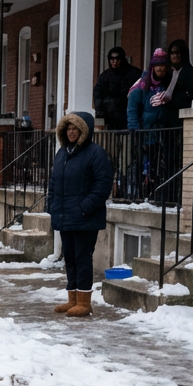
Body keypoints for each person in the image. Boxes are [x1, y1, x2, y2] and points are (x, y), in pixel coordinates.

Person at [47, 111, 113, 318]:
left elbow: (103, 185)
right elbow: (53, 182)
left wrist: (85, 207)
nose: (71, 132)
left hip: (85, 217)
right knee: (70, 259)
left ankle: (84, 302)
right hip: (65, 216)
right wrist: (52, 205)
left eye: (75, 128)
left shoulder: (96, 153)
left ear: (84, 131)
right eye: (68, 128)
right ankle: (73, 299)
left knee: (82, 258)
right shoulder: (62, 153)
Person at [127, 48, 176, 200]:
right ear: (152, 67)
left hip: (163, 134)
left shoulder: (169, 83)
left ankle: (160, 195)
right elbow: (132, 110)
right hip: (145, 134)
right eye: (158, 65)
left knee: (160, 168)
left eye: (163, 65)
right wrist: (134, 131)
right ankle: (141, 195)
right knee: (144, 168)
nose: (161, 68)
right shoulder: (141, 86)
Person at [92, 47, 141, 130]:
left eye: (117, 59)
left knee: (127, 141)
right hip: (110, 119)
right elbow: (98, 94)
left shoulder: (134, 74)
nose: (115, 62)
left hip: (129, 117)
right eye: (112, 59)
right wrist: (100, 113)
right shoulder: (105, 76)